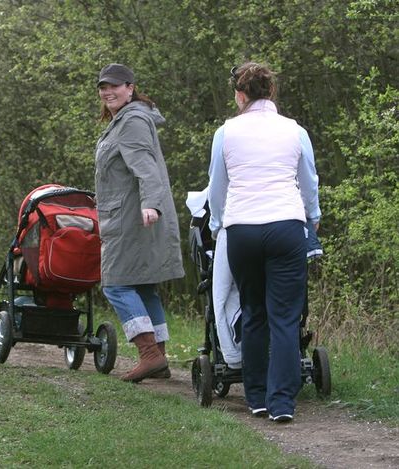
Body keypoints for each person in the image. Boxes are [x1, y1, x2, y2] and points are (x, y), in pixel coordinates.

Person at [208, 62, 321, 423]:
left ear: (240, 96)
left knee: (254, 312)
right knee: (285, 318)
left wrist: (217, 224)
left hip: (242, 229)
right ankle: (283, 403)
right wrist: (312, 217)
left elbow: (217, 186)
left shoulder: (226, 132)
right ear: (271, 92)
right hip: (285, 225)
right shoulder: (295, 130)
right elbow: (308, 180)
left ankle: (256, 397)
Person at [94, 63, 185, 382]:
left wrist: (150, 205)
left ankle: (149, 354)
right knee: (144, 285)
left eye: (115, 86)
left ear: (130, 88)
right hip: (132, 215)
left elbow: (146, 168)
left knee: (116, 283)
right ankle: (158, 356)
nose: (107, 91)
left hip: (133, 218)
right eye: (103, 87)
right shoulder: (127, 119)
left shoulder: (131, 120)